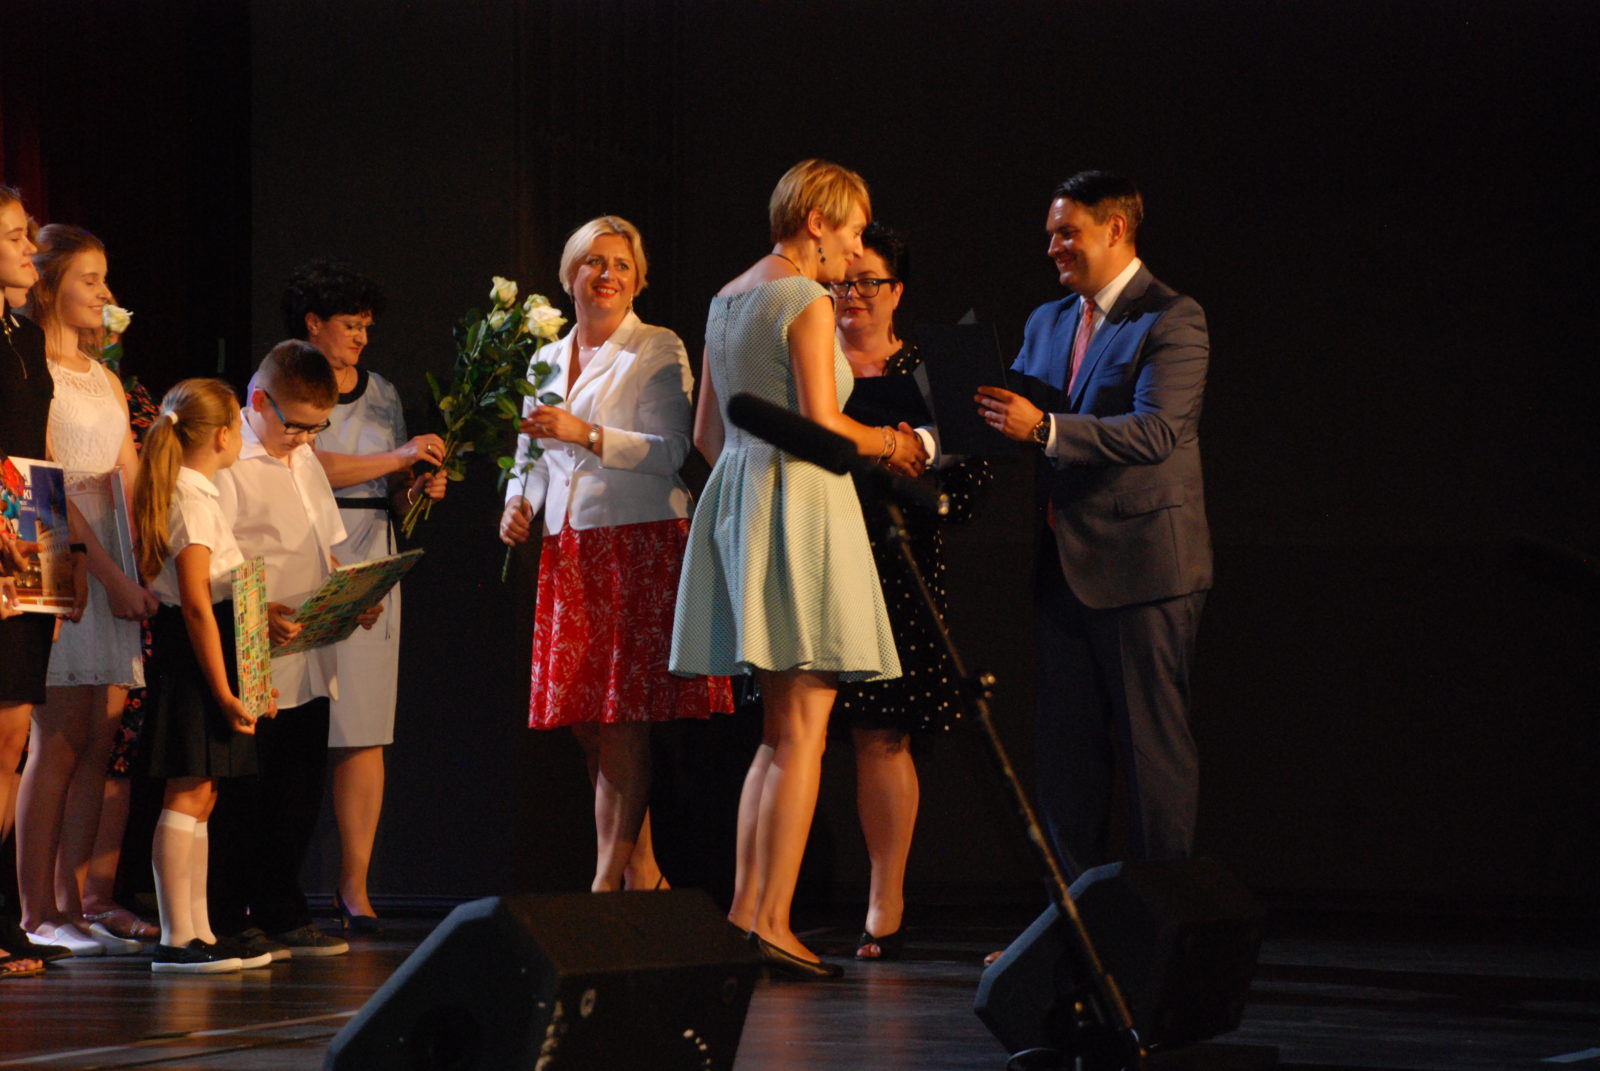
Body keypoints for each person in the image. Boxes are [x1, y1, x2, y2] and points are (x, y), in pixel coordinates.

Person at [669, 159, 925, 980]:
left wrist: (751, 478)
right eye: (851, 229)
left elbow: (706, 434)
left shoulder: (727, 297)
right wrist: (896, 444)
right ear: (816, 220)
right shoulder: (805, 298)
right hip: (803, 507)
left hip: (744, 499)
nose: (855, 248)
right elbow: (821, 421)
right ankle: (774, 920)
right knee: (804, 729)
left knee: (780, 732)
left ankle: (748, 913)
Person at [976, 171, 1212, 891]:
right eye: (1051, 233)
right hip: (1064, 572)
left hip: (1145, 573)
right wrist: (923, 438)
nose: (1053, 246)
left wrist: (1044, 428)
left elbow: (1156, 431)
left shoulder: (1171, 317)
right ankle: (1076, 925)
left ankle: (1163, 922)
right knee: (1065, 763)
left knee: (1151, 758)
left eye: (1066, 232)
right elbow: (1004, 411)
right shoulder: (1048, 321)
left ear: (1116, 228)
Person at [500, 216, 732, 893]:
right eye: (595, 262)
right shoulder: (545, 358)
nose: (608, 275)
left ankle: (606, 888)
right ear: (570, 274)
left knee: (622, 718)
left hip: (636, 541)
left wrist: (589, 434)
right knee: (586, 723)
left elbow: (673, 450)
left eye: (622, 265)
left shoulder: (656, 346)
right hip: (570, 547)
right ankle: (643, 872)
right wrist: (518, 503)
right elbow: (530, 454)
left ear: (638, 280)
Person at [831, 222, 989, 960]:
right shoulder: (809, 361)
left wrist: (915, 461)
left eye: (868, 281)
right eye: (840, 281)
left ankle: (884, 900)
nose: (851, 294)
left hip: (898, 562)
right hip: (813, 553)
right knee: (793, 730)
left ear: (897, 290)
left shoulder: (932, 366)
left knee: (883, 731)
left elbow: (973, 483)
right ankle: (771, 906)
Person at [282, 259, 446, 932]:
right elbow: (311, 465)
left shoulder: (382, 392)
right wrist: (400, 458)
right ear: (313, 323)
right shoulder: (284, 379)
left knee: (365, 728)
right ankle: (274, 883)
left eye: (367, 326)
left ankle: (355, 887)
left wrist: (419, 484)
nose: (361, 338)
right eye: (350, 324)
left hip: (370, 550)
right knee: (292, 722)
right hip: (301, 550)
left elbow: (392, 488)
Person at [15, 225, 158, 958]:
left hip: (112, 555)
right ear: (49, 286)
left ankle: (72, 902)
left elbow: (127, 472)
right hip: (60, 549)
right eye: (89, 279)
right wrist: (104, 571)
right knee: (59, 736)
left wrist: (146, 559)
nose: (105, 292)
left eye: (106, 278)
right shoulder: (31, 369)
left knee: (99, 737)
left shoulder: (102, 376)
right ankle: (35, 909)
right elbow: (45, 480)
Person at [207, 340, 371, 958]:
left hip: (310, 651)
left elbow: (323, 545)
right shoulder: (226, 458)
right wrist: (254, 608)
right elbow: (209, 556)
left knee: (296, 791)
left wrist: (350, 592)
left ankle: (282, 907)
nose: (304, 439)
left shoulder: (302, 458)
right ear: (257, 401)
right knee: (243, 793)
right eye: (296, 426)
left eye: (315, 428)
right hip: (250, 648)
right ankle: (227, 914)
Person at [132, 377, 272, 973]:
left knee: (205, 792)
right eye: (239, 426)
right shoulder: (189, 500)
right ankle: (175, 936)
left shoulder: (200, 494)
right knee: (187, 789)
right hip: (196, 660)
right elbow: (194, 604)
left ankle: (199, 931)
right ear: (221, 436)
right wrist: (221, 688)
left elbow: (219, 593)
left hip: (213, 652)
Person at [0, 185, 51, 978]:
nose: (28, 247)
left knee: (14, 733)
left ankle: (5, 914)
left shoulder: (26, 333)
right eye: (12, 235)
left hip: (29, 528)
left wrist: (53, 553)